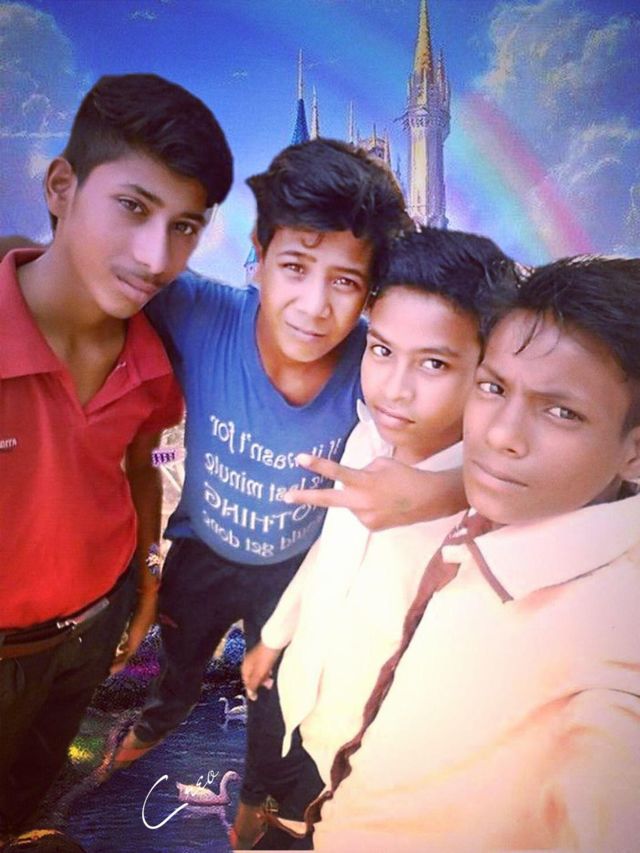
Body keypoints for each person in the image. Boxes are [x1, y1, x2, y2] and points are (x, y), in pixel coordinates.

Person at [112, 139, 466, 847]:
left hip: (293, 569)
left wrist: (436, 492)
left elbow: (500, 429)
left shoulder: (375, 365)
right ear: (260, 252)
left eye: (345, 281)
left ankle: (255, 796)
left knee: (272, 699)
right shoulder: (201, 313)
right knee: (177, 669)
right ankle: (149, 730)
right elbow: (83, 272)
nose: (313, 306)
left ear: (370, 292)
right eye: (296, 267)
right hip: (202, 551)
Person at [311, 255, 640, 852]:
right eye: (493, 388)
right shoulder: (521, 501)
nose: (498, 435)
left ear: (635, 453)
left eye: (562, 412)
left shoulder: (612, 647)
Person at [0, 72, 232, 840]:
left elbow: (138, 465)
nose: (155, 256)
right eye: (133, 206)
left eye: (184, 225)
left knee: (33, 785)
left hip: (90, 632)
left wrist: (144, 579)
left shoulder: (154, 358)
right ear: (61, 187)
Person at [241, 227, 516, 849]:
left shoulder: (501, 513)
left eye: (434, 364)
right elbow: (330, 553)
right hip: (305, 711)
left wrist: (451, 492)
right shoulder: (366, 436)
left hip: (375, 768)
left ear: (490, 372)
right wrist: (275, 637)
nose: (395, 388)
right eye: (382, 350)